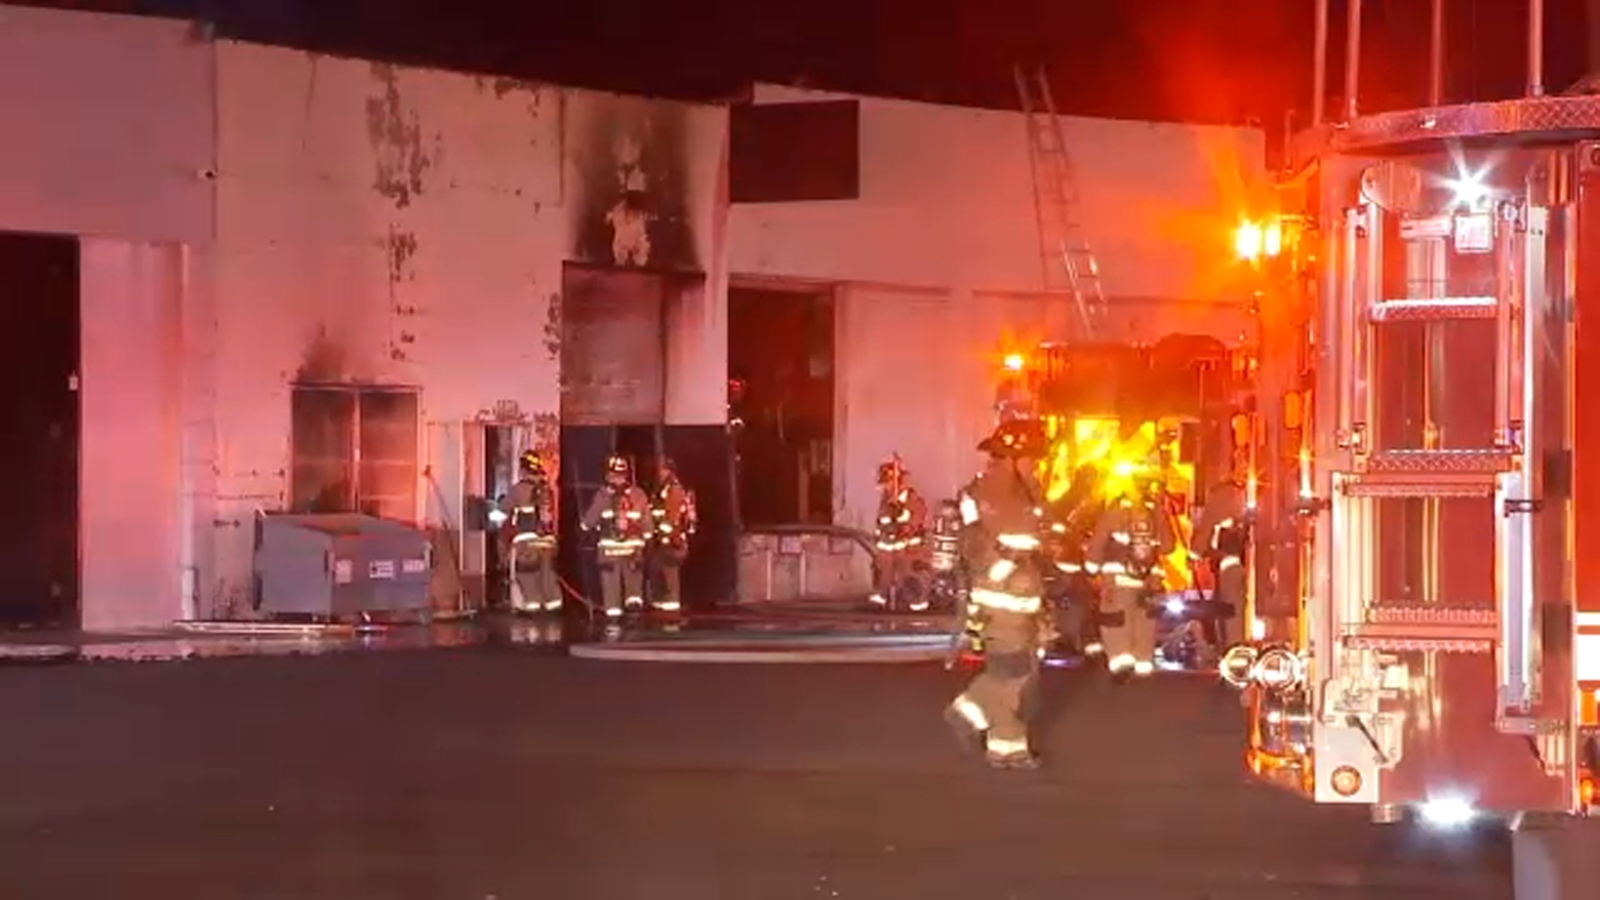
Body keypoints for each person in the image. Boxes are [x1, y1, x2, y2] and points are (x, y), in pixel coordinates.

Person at [944, 419, 1050, 770]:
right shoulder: (1002, 491)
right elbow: (1025, 534)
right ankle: (969, 714)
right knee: (1011, 672)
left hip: (1011, 595)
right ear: (1016, 457)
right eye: (1032, 458)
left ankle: (1006, 747)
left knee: (1016, 673)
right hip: (1003, 597)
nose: (1037, 464)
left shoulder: (1000, 488)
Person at [1086, 479, 1172, 681]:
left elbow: (1098, 540)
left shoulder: (1114, 511)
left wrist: (1091, 567)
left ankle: (1121, 661)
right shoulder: (1156, 512)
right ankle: (1143, 662)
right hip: (1149, 579)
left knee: (1115, 619)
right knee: (1144, 620)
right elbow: (1168, 546)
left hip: (1119, 578)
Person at [580, 455, 650, 619]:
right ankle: (634, 617)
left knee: (611, 589)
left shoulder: (602, 495)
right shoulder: (639, 494)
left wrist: (583, 528)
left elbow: (589, 521)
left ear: (608, 474)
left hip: (609, 552)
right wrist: (646, 541)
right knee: (634, 589)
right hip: (633, 551)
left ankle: (613, 621)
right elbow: (648, 524)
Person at [498, 449, 560, 614]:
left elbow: (503, 509)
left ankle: (533, 608)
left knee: (528, 575)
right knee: (547, 574)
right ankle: (553, 606)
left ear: (523, 470)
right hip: (547, 542)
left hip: (527, 543)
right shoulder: (548, 491)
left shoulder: (519, 489)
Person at [1193, 475, 1249, 646]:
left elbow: (1207, 526)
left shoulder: (1222, 495)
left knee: (1231, 609)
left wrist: (1194, 554)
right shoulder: (1254, 491)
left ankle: (1235, 650)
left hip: (1231, 562)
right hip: (1257, 560)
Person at [868, 454, 929, 611]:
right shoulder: (887, 499)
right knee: (884, 577)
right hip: (888, 547)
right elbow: (882, 520)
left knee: (909, 579)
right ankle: (882, 607)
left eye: (887, 483)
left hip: (909, 550)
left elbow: (918, 517)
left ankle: (918, 612)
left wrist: (902, 522)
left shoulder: (911, 498)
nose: (886, 487)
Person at [647, 457, 697, 614]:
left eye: (662, 470)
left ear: (669, 471)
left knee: (669, 576)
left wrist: (663, 533)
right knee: (659, 573)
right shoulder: (662, 490)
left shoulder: (674, 490)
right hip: (663, 541)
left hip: (671, 542)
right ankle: (662, 609)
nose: (659, 473)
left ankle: (671, 613)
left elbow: (672, 518)